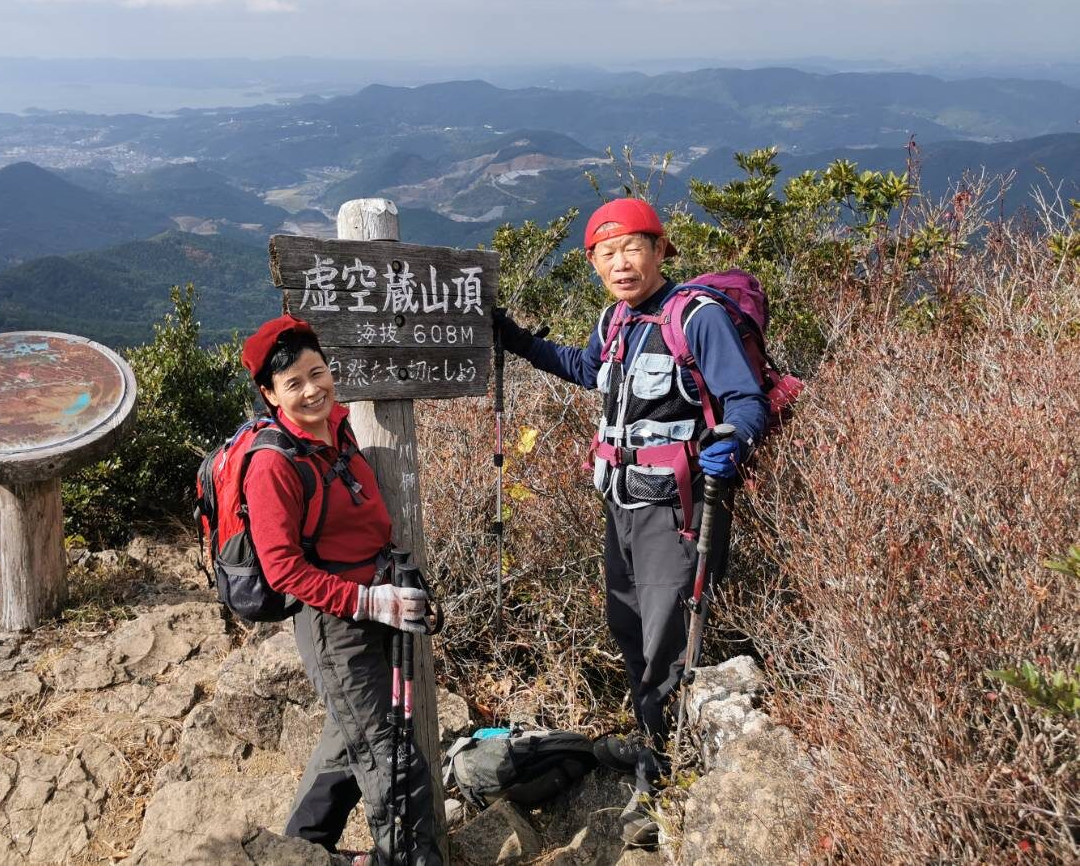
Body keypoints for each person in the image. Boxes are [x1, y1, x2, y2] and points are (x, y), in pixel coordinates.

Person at [493, 198, 769, 846]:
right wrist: (520, 341)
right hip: (620, 504)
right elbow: (590, 371)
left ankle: (665, 780)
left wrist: (728, 443)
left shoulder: (694, 319)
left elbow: (745, 401)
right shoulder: (615, 320)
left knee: (668, 644)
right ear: (592, 263)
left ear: (659, 249)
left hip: (677, 510)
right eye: (605, 252)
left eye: (631, 248)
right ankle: (652, 740)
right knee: (628, 628)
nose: (620, 262)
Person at [240, 313, 443, 866]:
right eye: (294, 384)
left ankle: (298, 851)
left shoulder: (339, 429)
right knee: (389, 753)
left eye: (317, 372)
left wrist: (388, 587)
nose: (312, 390)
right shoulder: (273, 465)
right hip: (335, 625)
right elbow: (282, 568)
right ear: (269, 394)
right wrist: (367, 599)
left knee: (347, 742)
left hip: (378, 604)